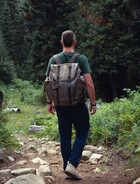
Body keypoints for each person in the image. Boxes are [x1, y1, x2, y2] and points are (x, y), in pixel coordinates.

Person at [45, 30, 96, 180]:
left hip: (60, 105)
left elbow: (47, 83)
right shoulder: (81, 59)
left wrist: (50, 102)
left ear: (62, 42)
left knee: (64, 136)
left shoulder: (53, 60)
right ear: (75, 42)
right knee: (82, 132)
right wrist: (93, 103)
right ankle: (72, 165)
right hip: (78, 104)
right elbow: (88, 83)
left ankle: (66, 166)